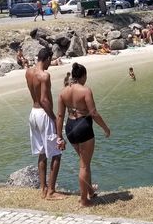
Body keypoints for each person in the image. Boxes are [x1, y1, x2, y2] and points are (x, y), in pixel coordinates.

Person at [56, 62, 111, 207]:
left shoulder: (63, 92)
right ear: (83, 76)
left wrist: (59, 136)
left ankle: (90, 191)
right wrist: (105, 128)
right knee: (84, 166)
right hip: (83, 127)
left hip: (70, 128)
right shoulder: (86, 90)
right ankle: (84, 200)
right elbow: (93, 113)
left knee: (84, 161)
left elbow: (60, 115)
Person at [25, 47, 66, 200]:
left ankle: (43, 189)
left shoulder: (28, 72)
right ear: (48, 58)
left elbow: (36, 97)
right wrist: (54, 118)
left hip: (33, 113)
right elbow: (43, 99)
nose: (51, 63)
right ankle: (51, 191)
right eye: (51, 59)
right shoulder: (45, 75)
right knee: (56, 153)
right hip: (43, 114)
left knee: (42, 152)